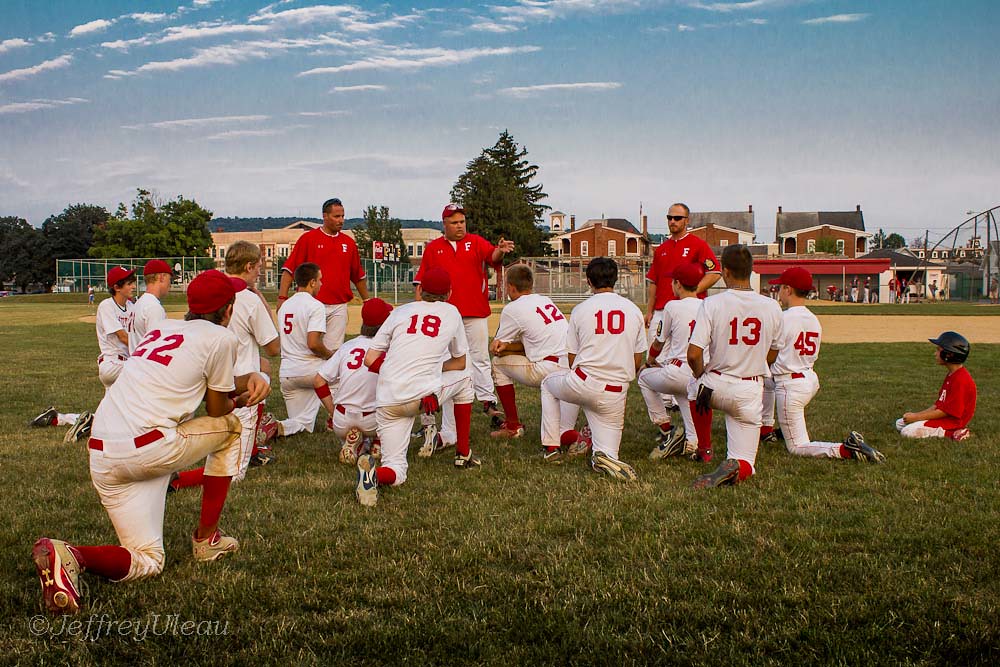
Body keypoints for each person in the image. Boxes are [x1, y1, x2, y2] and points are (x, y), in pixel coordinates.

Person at [31, 269, 270, 615]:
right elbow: (217, 407)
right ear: (228, 310)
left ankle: (71, 555)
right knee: (231, 429)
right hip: (150, 447)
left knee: (149, 560)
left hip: (102, 453)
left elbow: (192, 375)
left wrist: (248, 379)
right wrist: (245, 397)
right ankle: (207, 540)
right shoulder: (221, 338)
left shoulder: (163, 328)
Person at [354, 268, 479, 507]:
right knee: (466, 376)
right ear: (449, 293)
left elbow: (369, 359)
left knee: (396, 468)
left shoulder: (400, 312)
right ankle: (464, 453)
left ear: (420, 290)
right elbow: (460, 361)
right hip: (422, 396)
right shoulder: (451, 311)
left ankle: (374, 475)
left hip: (388, 398)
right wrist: (429, 372)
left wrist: (398, 372)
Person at [172, 241, 281, 490]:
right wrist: (260, 297)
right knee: (232, 473)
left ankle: (252, 447)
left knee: (223, 445)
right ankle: (176, 481)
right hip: (241, 389)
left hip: (209, 386)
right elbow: (273, 348)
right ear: (249, 265)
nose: (260, 272)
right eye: (258, 267)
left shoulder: (208, 291)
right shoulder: (248, 299)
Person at [539, 257, 647, 480]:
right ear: (616, 280)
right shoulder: (634, 310)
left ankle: (551, 448)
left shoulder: (581, 309)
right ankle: (602, 454)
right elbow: (637, 360)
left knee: (548, 385)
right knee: (607, 455)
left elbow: (571, 357)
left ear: (589, 281)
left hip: (584, 381)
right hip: (616, 392)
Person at [414, 202, 515, 442]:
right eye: (454, 222)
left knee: (478, 357)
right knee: (440, 360)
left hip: (474, 311)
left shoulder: (475, 241)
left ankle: (488, 401)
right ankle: (432, 411)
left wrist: (500, 250)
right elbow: (421, 281)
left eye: (462, 222)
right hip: (444, 314)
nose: (459, 226)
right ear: (444, 224)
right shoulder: (433, 248)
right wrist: (420, 308)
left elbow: (492, 256)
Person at [763, 267, 885, 463]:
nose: (778, 292)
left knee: (797, 447)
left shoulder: (783, 318)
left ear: (788, 289)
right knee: (765, 382)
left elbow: (770, 355)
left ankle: (845, 449)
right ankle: (765, 429)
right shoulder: (813, 319)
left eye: (780, 287)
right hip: (809, 380)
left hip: (790, 386)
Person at [685, 245, 782, 489]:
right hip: (750, 388)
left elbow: (694, 354)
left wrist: (700, 376)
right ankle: (735, 466)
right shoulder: (772, 306)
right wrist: (759, 363)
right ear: (751, 271)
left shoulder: (713, 303)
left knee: (691, 387)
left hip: (715, 385)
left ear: (725, 272)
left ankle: (703, 445)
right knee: (747, 463)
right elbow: (774, 351)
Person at [643, 203, 721, 427]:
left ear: (687, 220)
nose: (673, 221)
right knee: (658, 354)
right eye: (669, 217)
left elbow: (714, 271)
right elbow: (654, 281)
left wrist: (692, 292)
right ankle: (667, 399)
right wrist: (649, 311)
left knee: (683, 352)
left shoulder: (697, 245)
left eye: (677, 218)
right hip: (661, 309)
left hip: (688, 309)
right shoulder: (662, 248)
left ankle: (682, 396)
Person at [488, 264, 572, 445]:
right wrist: (512, 347)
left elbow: (496, 347)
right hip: (571, 366)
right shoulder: (545, 300)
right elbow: (530, 344)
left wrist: (507, 348)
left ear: (510, 287)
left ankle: (512, 426)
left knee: (496, 363)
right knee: (564, 432)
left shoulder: (513, 308)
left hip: (548, 368)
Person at [278, 197, 369, 352]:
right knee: (309, 347)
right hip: (312, 304)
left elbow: (357, 276)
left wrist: (367, 300)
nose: (341, 220)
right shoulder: (308, 239)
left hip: (338, 306)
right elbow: (289, 269)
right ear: (325, 216)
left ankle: (327, 376)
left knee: (333, 351)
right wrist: (282, 297)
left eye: (342, 216)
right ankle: (308, 374)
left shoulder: (349, 243)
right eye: (336, 216)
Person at [638, 261, 705, 460]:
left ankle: (666, 428)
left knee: (643, 377)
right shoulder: (707, 305)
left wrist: (649, 362)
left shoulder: (672, 306)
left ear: (678, 284)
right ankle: (692, 442)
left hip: (677, 370)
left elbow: (658, 343)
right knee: (685, 396)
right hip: (701, 373)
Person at [314, 298, 393, 465]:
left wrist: (332, 411)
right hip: (374, 421)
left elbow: (319, 381)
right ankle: (379, 443)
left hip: (341, 420)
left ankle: (358, 444)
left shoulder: (348, 346)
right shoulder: (388, 349)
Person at [278, 263, 332, 437]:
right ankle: (343, 419)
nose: (322, 284)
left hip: (287, 373)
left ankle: (276, 427)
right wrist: (332, 357)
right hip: (311, 371)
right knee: (346, 376)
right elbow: (313, 344)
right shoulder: (315, 305)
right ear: (312, 282)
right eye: (320, 280)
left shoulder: (284, 306)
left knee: (303, 424)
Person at [896, 332, 976, 441]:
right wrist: (916, 415)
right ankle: (929, 427)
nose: (935, 353)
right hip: (944, 418)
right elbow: (938, 405)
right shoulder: (952, 374)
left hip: (952, 423)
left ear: (949, 355)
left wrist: (917, 418)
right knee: (900, 423)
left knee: (907, 432)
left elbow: (946, 412)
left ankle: (954, 433)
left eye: (938, 350)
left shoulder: (961, 380)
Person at [96, 266, 136, 388]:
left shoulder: (131, 306)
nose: (133, 287)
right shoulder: (107, 306)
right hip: (112, 363)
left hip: (126, 361)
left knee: (113, 405)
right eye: (129, 284)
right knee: (146, 373)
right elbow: (123, 337)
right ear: (117, 287)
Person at [130, 260, 172, 353]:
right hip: (145, 365)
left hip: (135, 361)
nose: (170, 284)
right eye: (170, 279)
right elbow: (156, 345)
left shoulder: (139, 303)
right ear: (161, 277)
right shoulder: (153, 307)